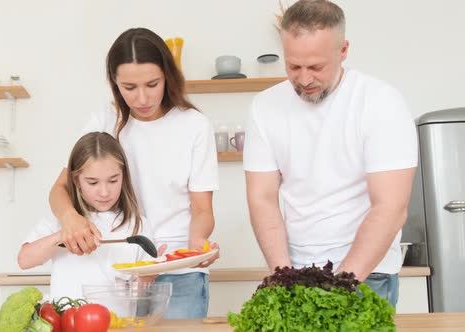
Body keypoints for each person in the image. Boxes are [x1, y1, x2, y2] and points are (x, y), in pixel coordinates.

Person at [244, 0, 417, 307]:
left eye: (316, 67)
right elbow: (262, 199)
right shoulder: (264, 107)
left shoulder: (381, 103)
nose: (305, 79)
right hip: (296, 273)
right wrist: (283, 276)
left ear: (343, 50)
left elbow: (390, 207)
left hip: (368, 276)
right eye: (294, 66)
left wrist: (341, 286)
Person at [48, 27, 220, 319]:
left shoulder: (194, 126)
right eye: (129, 88)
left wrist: (197, 245)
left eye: (152, 84)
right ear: (115, 83)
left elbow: (202, 209)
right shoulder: (105, 119)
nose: (142, 98)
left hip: (176, 275)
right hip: (116, 273)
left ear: (168, 75)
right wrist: (70, 218)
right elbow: (59, 190)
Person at [18, 132, 154, 300]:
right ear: (76, 181)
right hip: (67, 323)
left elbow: (137, 296)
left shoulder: (137, 226)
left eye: (113, 181)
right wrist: (65, 233)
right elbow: (24, 260)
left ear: (123, 177)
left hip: (116, 324)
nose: (104, 192)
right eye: (93, 182)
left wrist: (149, 276)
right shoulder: (60, 221)